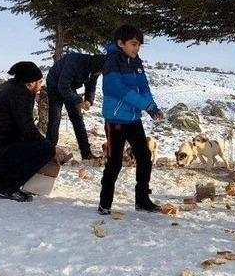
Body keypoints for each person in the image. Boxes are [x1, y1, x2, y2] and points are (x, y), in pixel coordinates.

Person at [97, 25, 164, 214]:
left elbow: (144, 88)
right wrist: (146, 105)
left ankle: (142, 200)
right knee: (115, 162)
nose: (137, 48)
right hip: (116, 120)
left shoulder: (136, 62)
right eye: (134, 44)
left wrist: (153, 108)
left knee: (144, 157)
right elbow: (117, 89)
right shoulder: (112, 61)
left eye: (139, 45)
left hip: (134, 119)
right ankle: (105, 203)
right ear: (120, 43)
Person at [0, 61, 55, 202]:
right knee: (46, 149)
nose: (40, 86)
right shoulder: (19, 95)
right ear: (30, 83)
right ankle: (6, 188)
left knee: (27, 145)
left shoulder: (9, 88)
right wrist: (51, 147)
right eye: (39, 82)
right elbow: (28, 130)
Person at [45, 53, 106, 160]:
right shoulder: (74, 62)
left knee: (78, 119)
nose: (99, 74)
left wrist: (88, 100)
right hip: (55, 84)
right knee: (55, 118)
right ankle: (49, 153)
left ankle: (86, 154)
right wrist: (78, 100)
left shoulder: (96, 68)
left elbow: (91, 85)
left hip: (69, 87)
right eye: (99, 72)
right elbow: (62, 86)